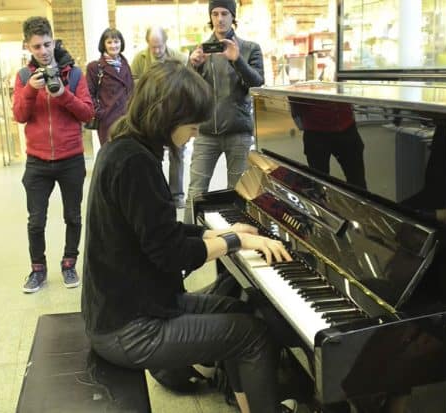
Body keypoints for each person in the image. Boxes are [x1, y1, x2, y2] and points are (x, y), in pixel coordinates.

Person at [81, 60, 296, 413]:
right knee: (251, 336)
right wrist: (236, 241)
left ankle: (248, 404)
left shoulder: (125, 146)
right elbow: (170, 253)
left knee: (238, 310)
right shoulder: (135, 162)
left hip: (131, 306)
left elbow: (158, 228)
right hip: (129, 328)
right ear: (167, 117)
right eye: (192, 124)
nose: (196, 133)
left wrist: (221, 231)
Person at [13, 16, 94, 293]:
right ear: (28, 47)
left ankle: (69, 265)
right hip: (37, 161)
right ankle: (38, 270)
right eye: (37, 47)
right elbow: (20, 116)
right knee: (36, 221)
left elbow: (87, 113)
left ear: (53, 39)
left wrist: (62, 94)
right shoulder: (24, 77)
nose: (43, 51)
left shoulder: (74, 74)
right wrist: (29, 91)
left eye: (47, 44)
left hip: (71, 158)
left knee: (73, 216)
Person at [184, 0, 264, 223]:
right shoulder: (199, 50)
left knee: (238, 193)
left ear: (233, 17)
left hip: (238, 131)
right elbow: (187, 90)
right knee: (195, 191)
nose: (219, 19)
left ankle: (238, 241)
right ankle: (188, 241)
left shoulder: (249, 49)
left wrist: (237, 60)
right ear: (210, 17)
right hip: (206, 133)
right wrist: (193, 66)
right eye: (215, 14)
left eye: (225, 13)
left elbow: (257, 84)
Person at [131, 26, 188, 209]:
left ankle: (176, 194)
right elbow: (132, 86)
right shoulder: (139, 59)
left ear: (166, 42)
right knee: (151, 154)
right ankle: (155, 194)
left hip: (174, 114)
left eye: (160, 46)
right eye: (152, 47)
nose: (156, 51)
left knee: (177, 153)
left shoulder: (179, 58)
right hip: (151, 115)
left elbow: (187, 85)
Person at [86, 28, 133, 146]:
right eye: (109, 42)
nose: (113, 45)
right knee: (111, 156)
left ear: (121, 43)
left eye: (116, 41)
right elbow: (88, 94)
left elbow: (132, 91)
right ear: (104, 45)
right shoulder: (95, 67)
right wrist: (100, 113)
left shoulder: (125, 65)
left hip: (127, 120)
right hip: (108, 121)